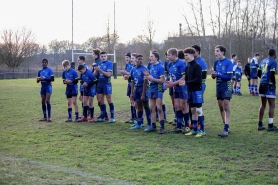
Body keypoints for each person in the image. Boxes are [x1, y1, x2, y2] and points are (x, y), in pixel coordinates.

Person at [179, 47, 205, 137]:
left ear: (192, 55)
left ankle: (202, 130)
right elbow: (186, 78)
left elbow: (198, 80)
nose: (185, 57)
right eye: (184, 55)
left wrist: (186, 82)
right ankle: (194, 129)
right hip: (190, 91)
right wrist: (182, 81)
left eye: (187, 55)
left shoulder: (197, 66)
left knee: (198, 110)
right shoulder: (187, 67)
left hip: (197, 91)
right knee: (193, 110)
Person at [211, 45, 233, 137]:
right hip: (218, 87)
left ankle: (226, 128)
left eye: (217, 51)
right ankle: (225, 125)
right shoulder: (216, 62)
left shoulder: (228, 62)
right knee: (221, 107)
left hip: (226, 87)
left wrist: (217, 75)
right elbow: (214, 77)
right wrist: (213, 74)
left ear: (222, 52)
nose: (215, 53)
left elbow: (229, 77)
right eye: (215, 51)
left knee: (226, 106)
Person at [164, 48, 186, 133]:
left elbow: (184, 77)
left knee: (183, 106)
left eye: (169, 55)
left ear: (174, 55)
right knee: (177, 106)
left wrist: (173, 84)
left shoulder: (181, 63)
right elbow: (171, 76)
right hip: (175, 88)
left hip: (182, 88)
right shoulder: (169, 64)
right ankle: (178, 126)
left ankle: (187, 126)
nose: (167, 57)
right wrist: (170, 82)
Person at [143, 52, 166, 134]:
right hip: (151, 89)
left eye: (152, 56)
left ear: (156, 58)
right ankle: (153, 126)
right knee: (152, 108)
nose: (150, 58)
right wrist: (148, 75)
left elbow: (162, 80)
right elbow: (151, 78)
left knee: (159, 108)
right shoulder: (151, 66)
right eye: (150, 56)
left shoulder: (160, 67)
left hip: (158, 89)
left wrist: (151, 78)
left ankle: (162, 127)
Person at [257, 49, 277, 131]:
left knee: (263, 105)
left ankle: (260, 124)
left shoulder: (262, 61)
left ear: (268, 54)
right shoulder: (273, 62)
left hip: (261, 84)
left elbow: (258, 73)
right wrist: (274, 84)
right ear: (274, 54)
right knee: (272, 105)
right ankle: (270, 125)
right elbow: (272, 75)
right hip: (269, 84)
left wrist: (263, 79)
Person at [93, 51, 115, 123]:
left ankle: (112, 117)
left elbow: (108, 74)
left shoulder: (109, 63)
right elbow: (94, 75)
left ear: (107, 56)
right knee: (100, 100)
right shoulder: (98, 64)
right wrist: (96, 70)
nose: (103, 57)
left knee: (109, 100)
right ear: (100, 57)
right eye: (102, 56)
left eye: (104, 56)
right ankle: (102, 117)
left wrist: (100, 70)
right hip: (99, 84)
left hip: (107, 84)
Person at [129, 55, 149, 129]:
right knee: (138, 106)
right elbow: (133, 82)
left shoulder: (144, 69)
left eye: (142, 59)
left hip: (143, 89)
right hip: (136, 89)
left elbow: (145, 82)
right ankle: (139, 123)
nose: (140, 60)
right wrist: (131, 93)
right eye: (139, 59)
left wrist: (143, 94)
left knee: (146, 106)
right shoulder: (133, 69)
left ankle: (149, 124)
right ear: (136, 60)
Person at [191, 45, 207, 131]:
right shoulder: (192, 62)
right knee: (193, 107)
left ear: (197, 52)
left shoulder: (201, 62)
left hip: (199, 86)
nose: (192, 53)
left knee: (198, 107)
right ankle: (194, 126)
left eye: (193, 52)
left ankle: (201, 127)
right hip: (192, 87)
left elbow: (203, 75)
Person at [92, 48, 109, 121]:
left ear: (96, 55)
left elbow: (98, 74)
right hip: (98, 83)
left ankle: (105, 115)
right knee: (99, 99)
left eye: (93, 54)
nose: (92, 55)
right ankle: (104, 115)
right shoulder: (96, 62)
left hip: (101, 83)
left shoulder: (99, 62)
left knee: (101, 100)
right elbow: (94, 73)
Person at [121, 52, 136, 123]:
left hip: (134, 85)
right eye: (125, 57)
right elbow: (125, 77)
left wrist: (127, 74)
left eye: (128, 57)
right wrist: (124, 75)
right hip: (129, 84)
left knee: (134, 100)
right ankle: (132, 117)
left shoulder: (134, 66)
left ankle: (135, 118)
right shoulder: (127, 65)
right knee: (131, 100)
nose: (126, 59)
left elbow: (132, 75)